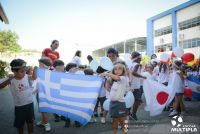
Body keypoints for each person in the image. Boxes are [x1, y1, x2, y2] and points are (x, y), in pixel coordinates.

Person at [0, 59, 36, 134]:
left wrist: (35, 70)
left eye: (25, 71)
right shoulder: (11, 79)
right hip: (19, 106)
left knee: (30, 121)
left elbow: (33, 78)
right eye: (21, 71)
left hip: (30, 104)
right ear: (14, 71)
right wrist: (9, 79)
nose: (24, 73)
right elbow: (1, 86)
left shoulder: (26, 76)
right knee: (20, 124)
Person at [100, 62, 128, 134]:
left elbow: (117, 77)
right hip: (113, 103)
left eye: (119, 69)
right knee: (115, 120)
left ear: (123, 71)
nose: (117, 70)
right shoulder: (114, 80)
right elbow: (109, 86)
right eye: (115, 69)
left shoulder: (123, 78)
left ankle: (125, 132)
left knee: (122, 121)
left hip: (120, 104)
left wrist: (107, 74)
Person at [35, 57, 52, 132]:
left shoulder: (43, 72)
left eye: (39, 64)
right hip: (41, 92)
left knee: (43, 108)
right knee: (42, 108)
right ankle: (43, 121)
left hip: (43, 93)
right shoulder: (48, 71)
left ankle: (47, 123)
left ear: (42, 64)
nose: (39, 65)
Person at [129, 51, 146, 120]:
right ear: (136, 58)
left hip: (130, 85)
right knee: (137, 100)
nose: (141, 59)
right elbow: (133, 73)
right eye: (140, 58)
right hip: (135, 86)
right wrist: (142, 76)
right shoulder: (137, 65)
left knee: (130, 100)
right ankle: (133, 114)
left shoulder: (131, 64)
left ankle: (129, 113)